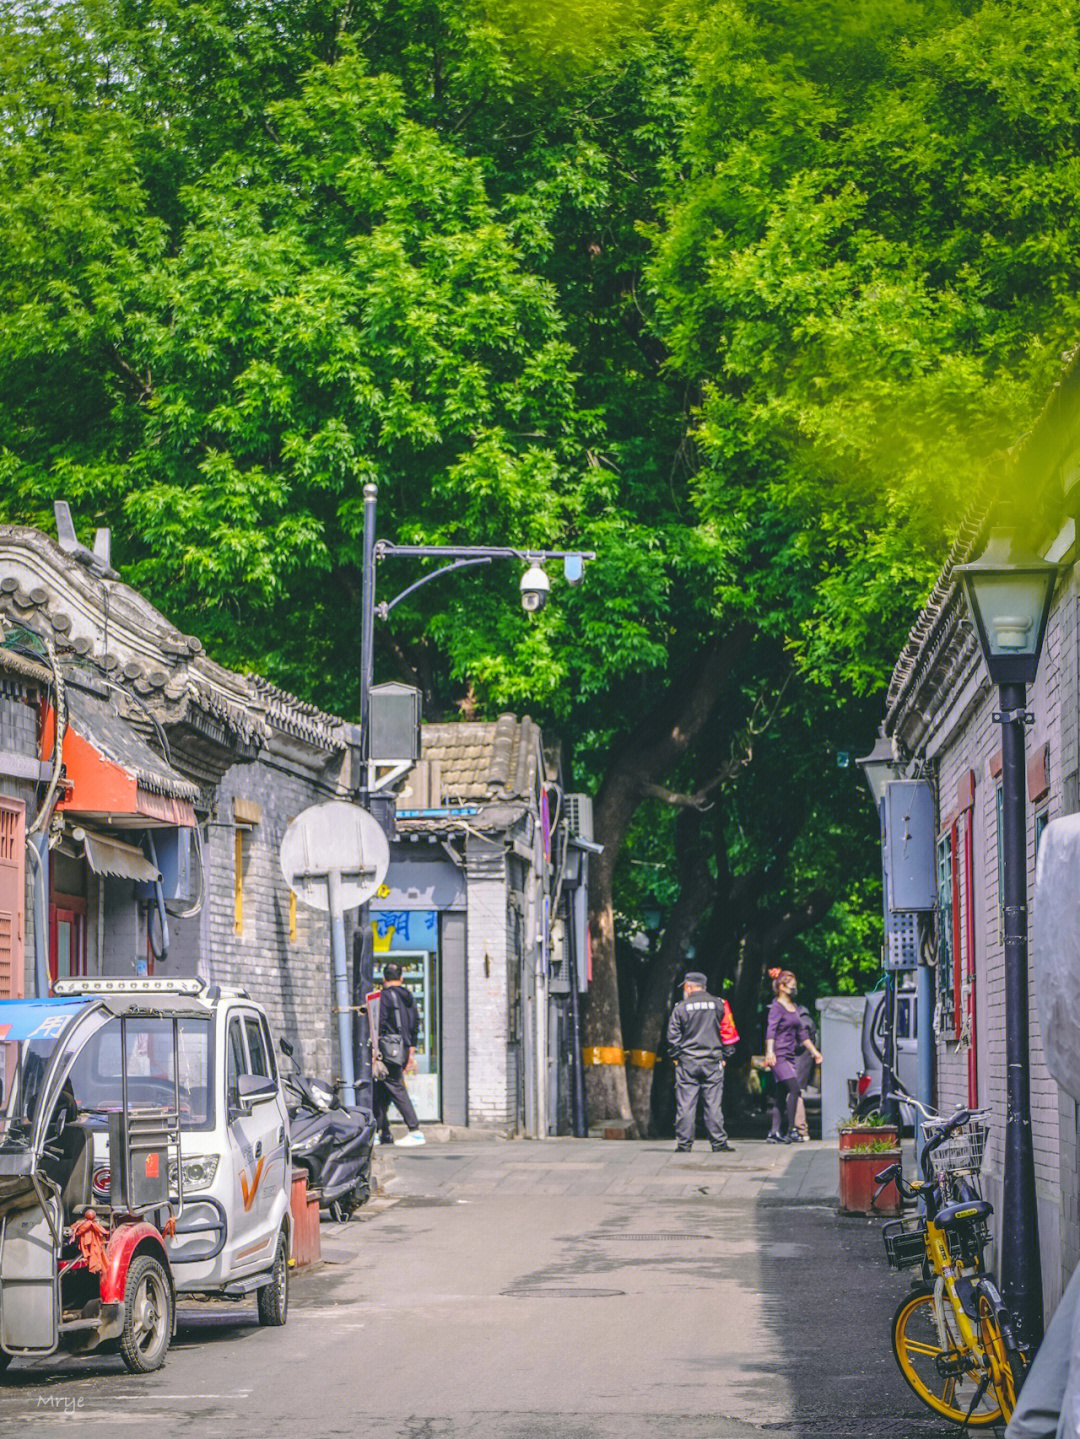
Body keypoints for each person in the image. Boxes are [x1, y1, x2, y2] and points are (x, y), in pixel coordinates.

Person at [666, 971, 739, 1153]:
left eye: (685, 987)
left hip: (688, 1062)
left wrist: (677, 1057)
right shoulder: (719, 1004)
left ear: (690, 987)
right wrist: (725, 1056)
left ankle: (684, 1144)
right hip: (712, 1062)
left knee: (685, 1104)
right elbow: (728, 1033)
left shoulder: (680, 1007)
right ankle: (718, 1143)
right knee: (713, 1104)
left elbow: (672, 1036)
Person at [764, 971, 823, 1144]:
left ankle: (774, 1132)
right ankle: (791, 1130)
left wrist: (815, 1052)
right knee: (795, 1089)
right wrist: (769, 1052)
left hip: (790, 1056)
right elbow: (771, 1030)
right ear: (781, 986)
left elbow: (802, 1034)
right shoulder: (776, 1007)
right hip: (779, 1056)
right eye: (791, 984)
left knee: (781, 1094)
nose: (794, 987)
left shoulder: (794, 1007)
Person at [373, 963, 425, 1148]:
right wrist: (411, 1052)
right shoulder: (409, 997)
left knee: (395, 1086)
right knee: (380, 1091)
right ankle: (380, 1132)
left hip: (388, 1050)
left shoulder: (384, 997)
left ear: (384, 979)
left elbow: (379, 1023)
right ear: (401, 978)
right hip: (402, 1049)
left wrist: (374, 1050)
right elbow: (415, 1024)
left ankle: (415, 1130)